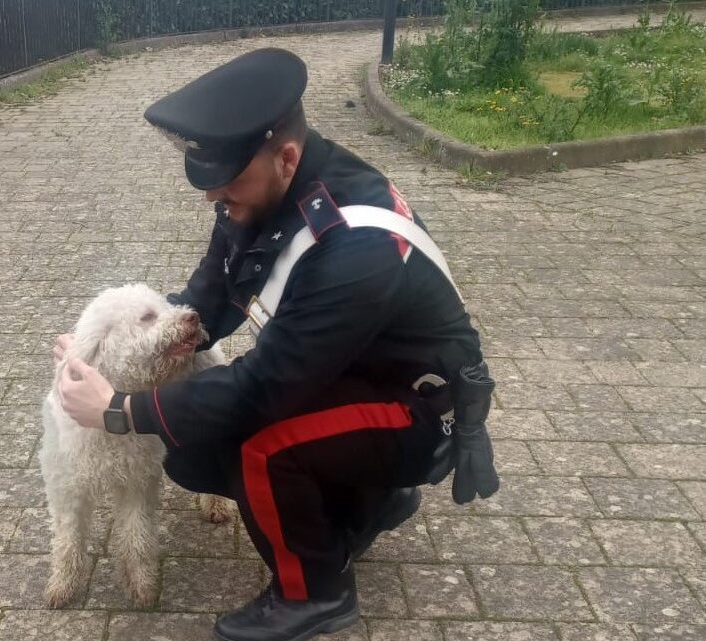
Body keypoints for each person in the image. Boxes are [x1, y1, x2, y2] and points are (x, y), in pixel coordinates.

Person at [55, 47, 499, 641]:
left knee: (257, 446)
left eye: (226, 185)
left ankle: (313, 593)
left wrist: (119, 410)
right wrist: (108, 345)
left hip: (419, 411)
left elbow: (264, 387)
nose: (214, 199)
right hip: (355, 376)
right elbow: (206, 301)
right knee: (188, 436)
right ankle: (372, 503)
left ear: (286, 158)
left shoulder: (351, 246)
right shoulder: (261, 193)